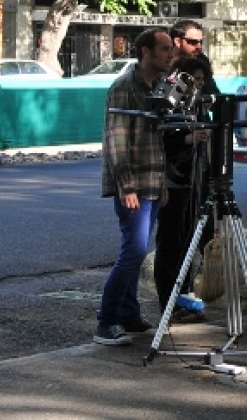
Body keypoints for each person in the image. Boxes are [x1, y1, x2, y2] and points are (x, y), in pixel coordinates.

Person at [94, 27, 174, 346]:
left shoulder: (158, 87)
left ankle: (128, 314)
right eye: (165, 49)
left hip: (153, 181)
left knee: (136, 251)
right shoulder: (123, 87)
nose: (171, 55)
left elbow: (158, 140)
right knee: (135, 250)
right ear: (146, 52)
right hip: (133, 185)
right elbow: (116, 141)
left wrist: (163, 182)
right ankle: (106, 321)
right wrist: (126, 186)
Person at [153, 55, 213, 324]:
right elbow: (159, 142)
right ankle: (168, 303)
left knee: (190, 242)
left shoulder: (198, 105)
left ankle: (185, 299)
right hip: (173, 182)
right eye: (193, 80)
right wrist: (189, 138)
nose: (197, 86)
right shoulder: (168, 100)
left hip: (195, 182)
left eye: (201, 81)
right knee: (170, 243)